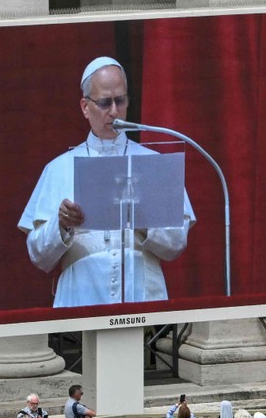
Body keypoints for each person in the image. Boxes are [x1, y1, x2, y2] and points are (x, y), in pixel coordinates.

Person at [19, 57, 196, 307]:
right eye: (104, 102)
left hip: (142, 296)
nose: (114, 111)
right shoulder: (58, 168)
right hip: (80, 296)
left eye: (120, 100)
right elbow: (38, 256)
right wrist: (61, 225)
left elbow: (176, 245)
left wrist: (141, 217)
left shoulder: (153, 162)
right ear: (84, 107)